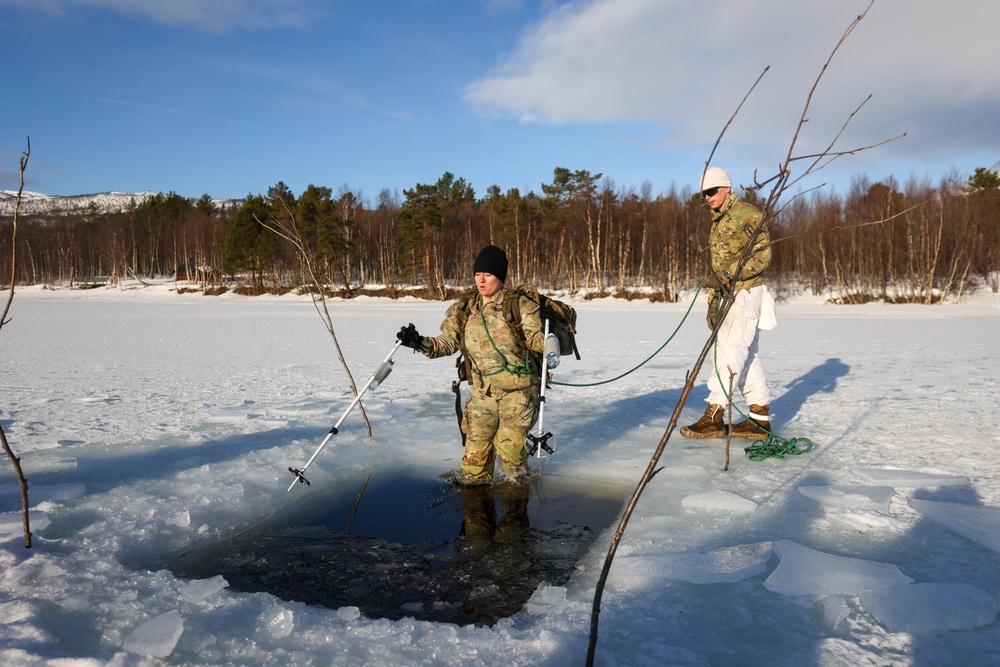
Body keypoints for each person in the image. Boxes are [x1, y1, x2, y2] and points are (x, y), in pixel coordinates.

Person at [396, 245, 545, 485]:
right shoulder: (464, 309)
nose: (481, 279)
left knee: (510, 453)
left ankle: (516, 508)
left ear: (500, 276)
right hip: (482, 393)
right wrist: (419, 342)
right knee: (474, 462)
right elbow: (446, 343)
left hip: (518, 391)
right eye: (477, 274)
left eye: (488, 274)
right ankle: (475, 510)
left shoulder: (520, 306)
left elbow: (537, 340)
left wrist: (549, 343)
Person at [681, 167, 777, 441]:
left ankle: (714, 415)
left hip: (745, 295)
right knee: (748, 356)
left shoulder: (746, 214)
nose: (707, 197)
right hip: (728, 296)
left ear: (726, 188)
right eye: (703, 193)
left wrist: (728, 275)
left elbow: (763, 254)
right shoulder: (719, 220)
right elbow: (719, 266)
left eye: (711, 191)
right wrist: (715, 298)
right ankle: (759, 420)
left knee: (731, 354)